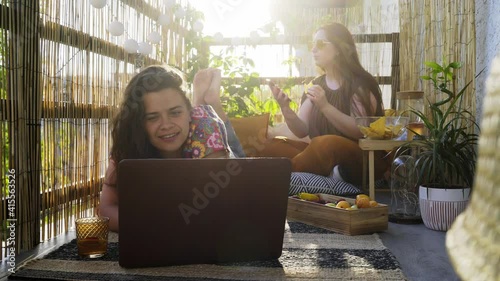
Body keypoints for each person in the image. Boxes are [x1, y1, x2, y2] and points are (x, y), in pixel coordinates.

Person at [99, 65, 244, 231]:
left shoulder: (205, 128)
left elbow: (223, 206)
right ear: (138, 123)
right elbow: (107, 209)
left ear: (188, 112)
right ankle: (200, 103)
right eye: (152, 118)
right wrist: (151, 225)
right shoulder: (128, 143)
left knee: (237, 153)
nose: (166, 125)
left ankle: (209, 103)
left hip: (232, 163)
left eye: (175, 113)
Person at [265, 22, 388, 185]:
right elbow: (301, 130)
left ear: (338, 49)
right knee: (274, 147)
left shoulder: (359, 85)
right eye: (312, 44)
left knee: (327, 143)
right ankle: (301, 177)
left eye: (320, 44)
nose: (313, 49)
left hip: (361, 160)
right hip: (325, 157)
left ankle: (281, 181)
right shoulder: (316, 85)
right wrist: (285, 108)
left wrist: (325, 106)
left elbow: (360, 130)